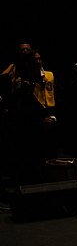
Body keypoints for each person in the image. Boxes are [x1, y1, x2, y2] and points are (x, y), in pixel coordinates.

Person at [2, 49, 58, 185]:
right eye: (35, 60)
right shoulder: (23, 80)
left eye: (40, 59)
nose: (38, 62)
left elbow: (52, 96)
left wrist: (53, 116)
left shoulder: (47, 76)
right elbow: (22, 106)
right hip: (31, 121)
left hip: (47, 114)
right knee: (32, 156)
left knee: (48, 154)